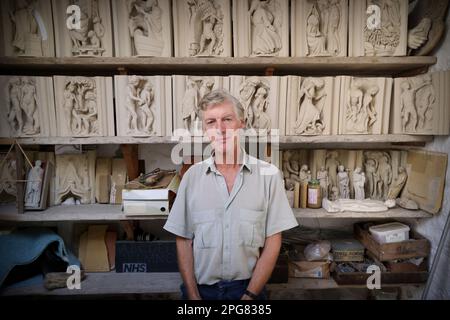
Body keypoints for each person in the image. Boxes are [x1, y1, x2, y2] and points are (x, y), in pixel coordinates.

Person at [164, 89, 298, 300]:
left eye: (227, 119)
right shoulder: (192, 178)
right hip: (200, 291)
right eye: (211, 122)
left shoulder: (268, 176)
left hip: (248, 289)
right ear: (205, 130)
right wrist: (192, 295)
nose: (220, 129)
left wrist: (250, 296)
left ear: (241, 123)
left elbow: (273, 241)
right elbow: (183, 240)